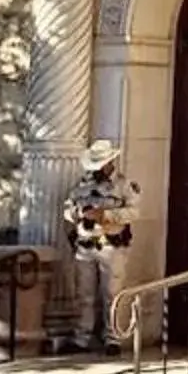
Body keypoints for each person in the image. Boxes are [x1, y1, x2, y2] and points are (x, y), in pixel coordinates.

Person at [60, 146, 136, 352]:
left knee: (112, 294)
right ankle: (82, 337)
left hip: (111, 244)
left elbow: (134, 212)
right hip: (85, 246)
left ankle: (113, 338)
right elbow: (68, 208)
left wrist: (106, 215)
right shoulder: (82, 186)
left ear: (110, 163)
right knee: (84, 294)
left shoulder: (123, 185)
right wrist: (79, 213)